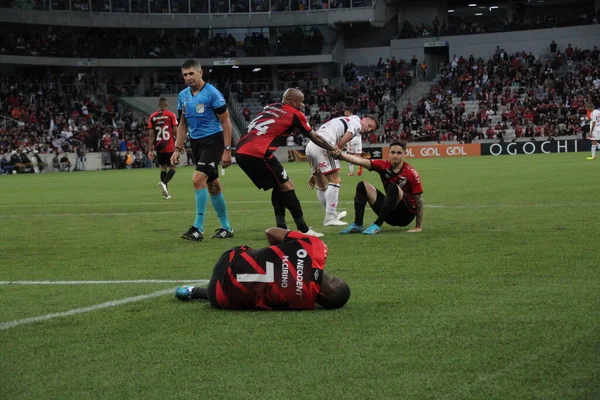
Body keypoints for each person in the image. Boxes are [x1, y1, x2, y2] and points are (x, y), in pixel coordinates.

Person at [235, 88, 341, 237]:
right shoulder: (296, 114)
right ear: (293, 101)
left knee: (279, 186)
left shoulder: (270, 107)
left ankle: (281, 227)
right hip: (257, 152)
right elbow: (314, 137)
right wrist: (331, 148)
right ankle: (303, 229)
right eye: (301, 101)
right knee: (287, 185)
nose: (303, 105)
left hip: (241, 149)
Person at [175, 227, 351, 310]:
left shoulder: (316, 247)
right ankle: (193, 291)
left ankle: (194, 290)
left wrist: (278, 253)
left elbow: (270, 232)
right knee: (250, 293)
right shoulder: (303, 302)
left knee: (254, 259)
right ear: (320, 299)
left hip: (227, 259)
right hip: (218, 297)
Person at [170, 59, 234, 241]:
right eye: (185, 74)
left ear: (200, 72)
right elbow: (183, 123)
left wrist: (227, 150)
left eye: (191, 73)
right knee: (213, 185)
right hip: (196, 143)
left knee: (198, 179)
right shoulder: (183, 95)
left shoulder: (212, 94)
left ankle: (197, 228)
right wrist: (177, 148)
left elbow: (226, 122)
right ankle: (227, 228)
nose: (188, 77)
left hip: (214, 141)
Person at [336, 140, 424, 235]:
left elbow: (418, 200)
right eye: (393, 152)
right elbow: (360, 161)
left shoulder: (411, 173)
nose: (395, 156)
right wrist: (341, 156)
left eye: (399, 153)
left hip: (405, 215)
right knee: (362, 185)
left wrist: (418, 226)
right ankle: (357, 225)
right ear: (389, 153)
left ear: (404, 154)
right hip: (389, 214)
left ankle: (377, 225)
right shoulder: (383, 165)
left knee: (393, 187)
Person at [306, 113, 378, 226]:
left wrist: (318, 169)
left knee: (321, 184)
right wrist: (336, 150)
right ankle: (330, 218)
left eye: (371, 129)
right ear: (363, 119)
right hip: (325, 144)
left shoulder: (347, 120)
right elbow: (343, 140)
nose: (368, 129)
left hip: (311, 145)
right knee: (335, 180)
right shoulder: (356, 124)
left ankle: (332, 214)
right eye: (369, 125)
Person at [148, 97, 179, 199]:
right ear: (166, 105)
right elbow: (175, 131)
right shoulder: (170, 115)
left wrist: (150, 150)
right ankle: (164, 183)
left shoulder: (152, 117)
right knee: (173, 167)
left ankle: (166, 193)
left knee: (163, 168)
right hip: (169, 146)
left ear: (158, 106)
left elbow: (151, 135)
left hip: (159, 147)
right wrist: (180, 145)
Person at [343, 108, 364, 177]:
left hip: (351, 139)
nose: (344, 113)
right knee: (358, 155)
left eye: (345, 112)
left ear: (348, 111)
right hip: (358, 138)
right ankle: (361, 166)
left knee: (350, 156)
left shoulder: (348, 119)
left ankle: (351, 172)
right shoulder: (357, 118)